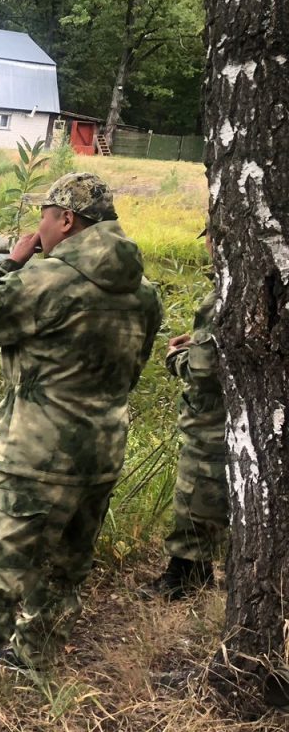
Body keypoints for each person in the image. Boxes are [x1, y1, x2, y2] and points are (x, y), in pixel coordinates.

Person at [0, 172, 163, 693]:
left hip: (37, 454)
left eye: (44, 217)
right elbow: (136, 365)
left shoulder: (48, 279)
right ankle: (36, 661)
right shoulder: (144, 292)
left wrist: (12, 260)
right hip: (102, 453)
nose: (39, 228)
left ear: (66, 220)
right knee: (65, 569)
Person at [144, 229, 227, 598]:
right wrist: (195, 343)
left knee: (196, 490)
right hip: (231, 418)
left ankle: (184, 576)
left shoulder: (225, 295)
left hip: (213, 420)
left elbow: (204, 372)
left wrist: (175, 357)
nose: (206, 244)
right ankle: (198, 569)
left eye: (208, 234)